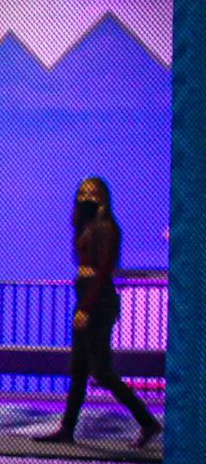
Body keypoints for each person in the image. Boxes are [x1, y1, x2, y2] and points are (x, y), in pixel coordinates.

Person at [41, 177, 161, 449]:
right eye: (82, 192)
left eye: (92, 193)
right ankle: (67, 428)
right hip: (87, 295)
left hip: (98, 300)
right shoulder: (87, 226)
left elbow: (104, 270)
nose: (86, 196)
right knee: (80, 368)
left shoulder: (107, 227)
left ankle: (147, 422)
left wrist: (85, 308)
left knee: (102, 371)